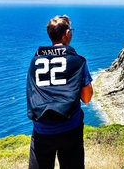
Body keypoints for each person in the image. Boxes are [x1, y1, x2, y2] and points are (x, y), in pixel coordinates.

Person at [26, 15, 93, 169]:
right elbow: (87, 98)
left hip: (42, 130)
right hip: (70, 129)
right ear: (67, 34)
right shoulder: (77, 61)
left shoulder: (35, 61)